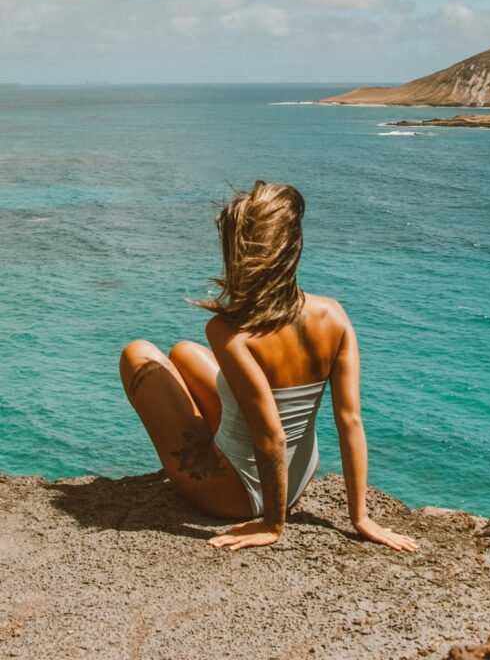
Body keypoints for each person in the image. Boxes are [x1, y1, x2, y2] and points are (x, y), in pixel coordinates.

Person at [119, 180, 417, 553]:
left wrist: (272, 524)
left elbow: (271, 436)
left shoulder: (231, 332)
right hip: (297, 476)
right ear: (293, 246)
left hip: (237, 492)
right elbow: (350, 421)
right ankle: (242, 462)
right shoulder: (334, 316)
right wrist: (360, 517)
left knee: (138, 353)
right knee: (183, 352)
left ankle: (248, 488)